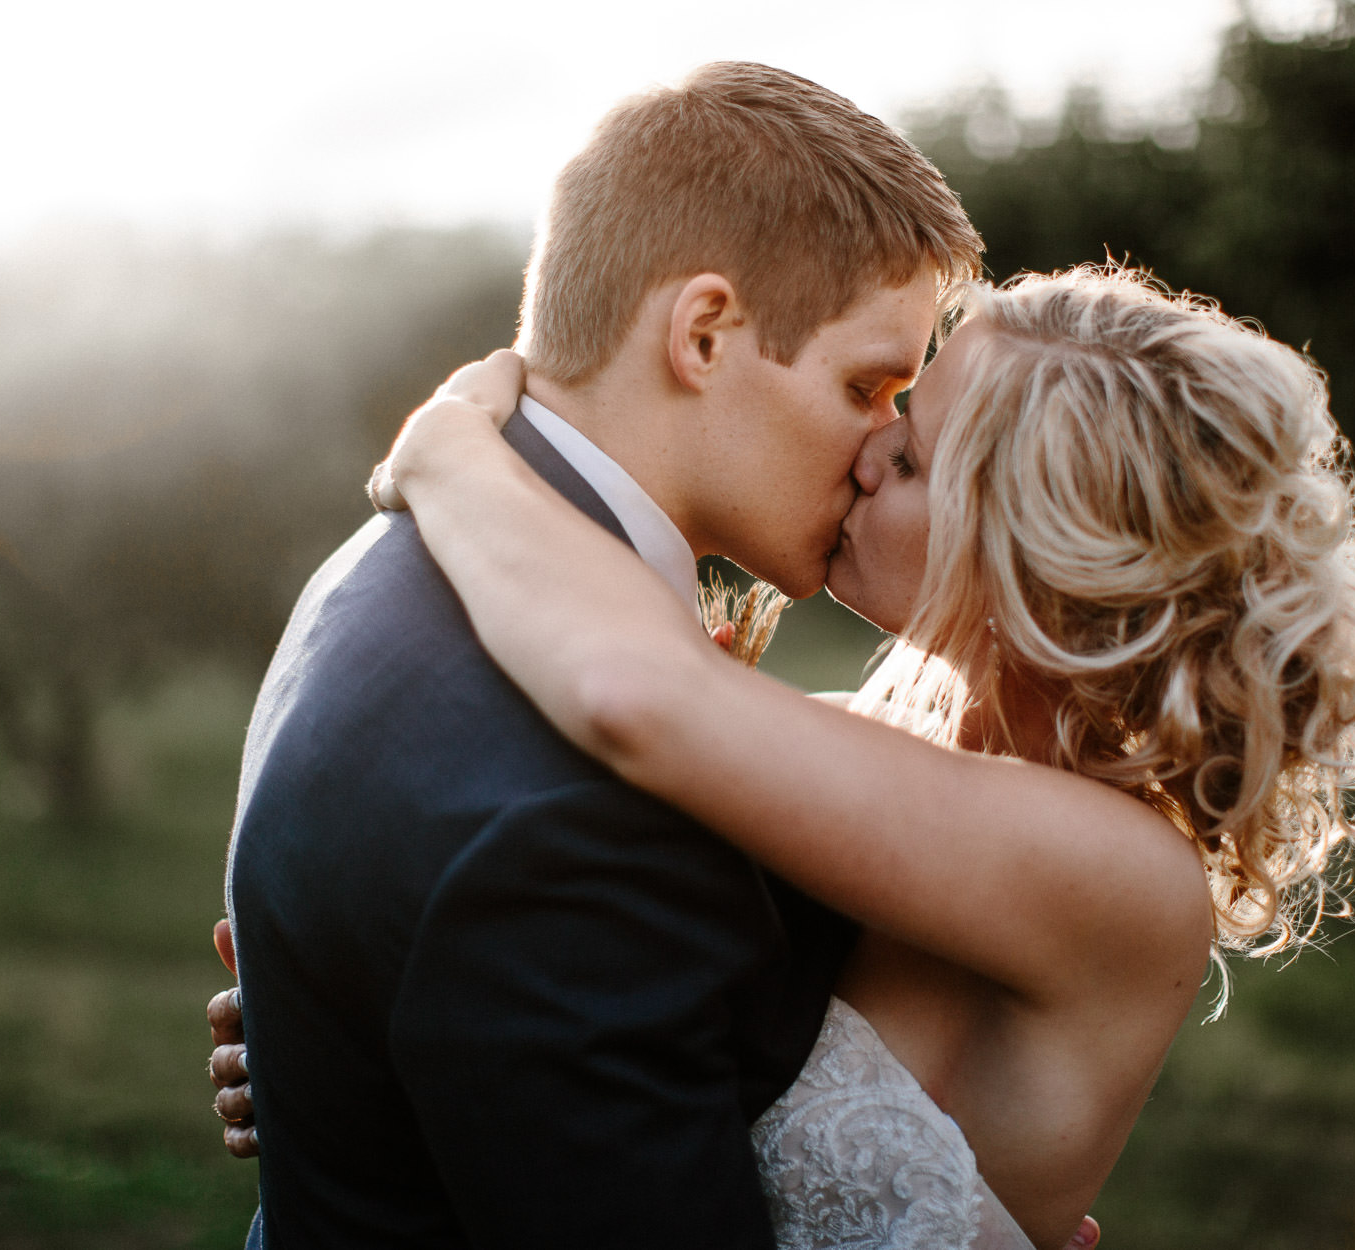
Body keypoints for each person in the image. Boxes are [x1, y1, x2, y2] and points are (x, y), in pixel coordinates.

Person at [215, 265, 1355, 1247]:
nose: (861, 454)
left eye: (910, 457)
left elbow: (634, 690)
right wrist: (351, 1021)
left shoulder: (1118, 874)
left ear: (1034, 561)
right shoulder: (866, 747)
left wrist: (446, 457)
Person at [218, 61, 982, 1249]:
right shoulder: (574, 811)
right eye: (865, 383)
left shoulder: (389, 556)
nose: (884, 443)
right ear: (706, 332)